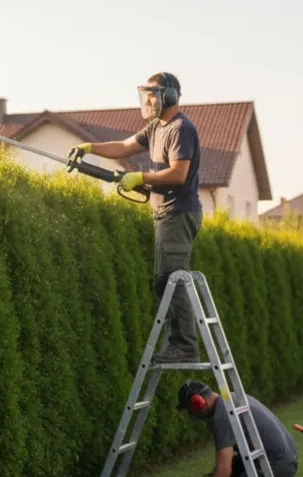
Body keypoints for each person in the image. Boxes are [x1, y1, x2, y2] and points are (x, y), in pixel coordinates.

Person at [68, 72, 203, 364]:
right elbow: (124, 146)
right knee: (165, 279)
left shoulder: (181, 129)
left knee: (171, 278)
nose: (148, 100)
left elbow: (178, 173)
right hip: (165, 214)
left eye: (153, 94)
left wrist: (140, 177)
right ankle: (179, 343)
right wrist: (88, 148)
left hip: (178, 213)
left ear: (169, 96)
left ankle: (185, 346)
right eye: (147, 95)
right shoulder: (156, 128)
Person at [177, 379, 303, 477]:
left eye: (190, 410)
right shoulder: (233, 398)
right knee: (235, 465)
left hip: (276, 467)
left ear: (198, 402)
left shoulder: (222, 416)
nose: (192, 415)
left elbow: (223, 470)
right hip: (285, 460)